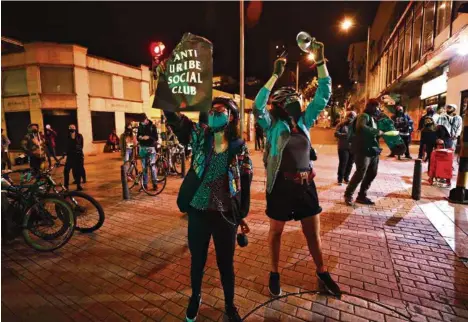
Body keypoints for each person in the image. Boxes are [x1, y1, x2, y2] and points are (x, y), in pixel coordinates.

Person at [254, 40, 341, 298]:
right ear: (280, 105)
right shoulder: (271, 125)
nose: (298, 103)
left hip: (306, 185)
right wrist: (274, 76)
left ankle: (322, 272)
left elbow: (323, 95)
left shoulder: (304, 121)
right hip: (280, 185)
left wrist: (322, 62)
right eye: (291, 100)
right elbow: (257, 106)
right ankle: (274, 272)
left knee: (312, 233)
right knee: (276, 232)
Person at [163, 97, 253, 322]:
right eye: (212, 110)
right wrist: (166, 95)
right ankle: (195, 297)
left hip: (225, 216)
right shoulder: (201, 136)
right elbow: (177, 120)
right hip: (198, 212)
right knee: (197, 260)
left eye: (220, 110)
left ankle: (229, 305)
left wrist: (241, 214)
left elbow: (246, 179)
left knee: (226, 264)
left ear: (231, 116)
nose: (214, 113)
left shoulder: (239, 146)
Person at [344, 99, 384, 206]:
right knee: (360, 173)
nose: (378, 110)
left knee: (372, 173)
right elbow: (360, 127)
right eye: (377, 107)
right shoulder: (364, 116)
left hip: (372, 150)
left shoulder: (372, 118)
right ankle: (348, 194)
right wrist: (376, 131)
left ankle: (362, 196)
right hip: (363, 150)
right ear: (371, 106)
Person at [137, 115, 159, 190]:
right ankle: (144, 185)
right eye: (141, 121)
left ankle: (155, 184)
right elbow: (138, 136)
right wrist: (139, 137)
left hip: (151, 148)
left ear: (146, 119)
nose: (142, 122)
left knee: (152, 167)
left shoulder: (152, 126)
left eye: (143, 121)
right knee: (144, 168)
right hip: (143, 148)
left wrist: (149, 137)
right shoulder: (140, 127)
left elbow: (156, 138)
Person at [335, 111, 356, 185]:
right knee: (343, 163)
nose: (351, 118)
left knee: (350, 163)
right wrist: (345, 135)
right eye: (350, 116)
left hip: (353, 148)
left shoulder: (356, 126)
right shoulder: (341, 125)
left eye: (353, 117)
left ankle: (346, 178)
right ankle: (340, 179)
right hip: (343, 147)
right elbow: (336, 134)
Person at [64, 124, 84, 191]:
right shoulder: (67, 136)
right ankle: (66, 186)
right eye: (70, 128)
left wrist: (78, 151)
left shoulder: (79, 135)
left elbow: (81, 145)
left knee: (77, 171)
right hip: (70, 156)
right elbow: (65, 145)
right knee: (66, 171)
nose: (72, 129)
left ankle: (78, 185)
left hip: (78, 156)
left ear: (75, 128)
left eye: (73, 127)